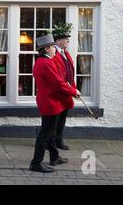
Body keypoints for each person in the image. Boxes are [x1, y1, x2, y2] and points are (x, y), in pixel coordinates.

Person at [30, 34, 81, 173]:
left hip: (48, 100)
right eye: (52, 47)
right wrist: (73, 91)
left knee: (49, 132)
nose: (54, 49)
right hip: (50, 102)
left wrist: (71, 89)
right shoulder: (47, 63)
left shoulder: (40, 62)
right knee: (45, 135)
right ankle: (36, 163)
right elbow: (59, 82)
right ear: (46, 49)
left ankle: (54, 157)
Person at [52, 22, 76, 150]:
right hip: (57, 93)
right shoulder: (53, 54)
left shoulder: (66, 53)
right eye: (65, 39)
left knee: (62, 119)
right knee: (54, 119)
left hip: (66, 92)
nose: (67, 41)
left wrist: (74, 88)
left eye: (67, 39)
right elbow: (56, 76)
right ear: (58, 41)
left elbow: (70, 72)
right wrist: (70, 89)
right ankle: (50, 142)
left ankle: (59, 140)